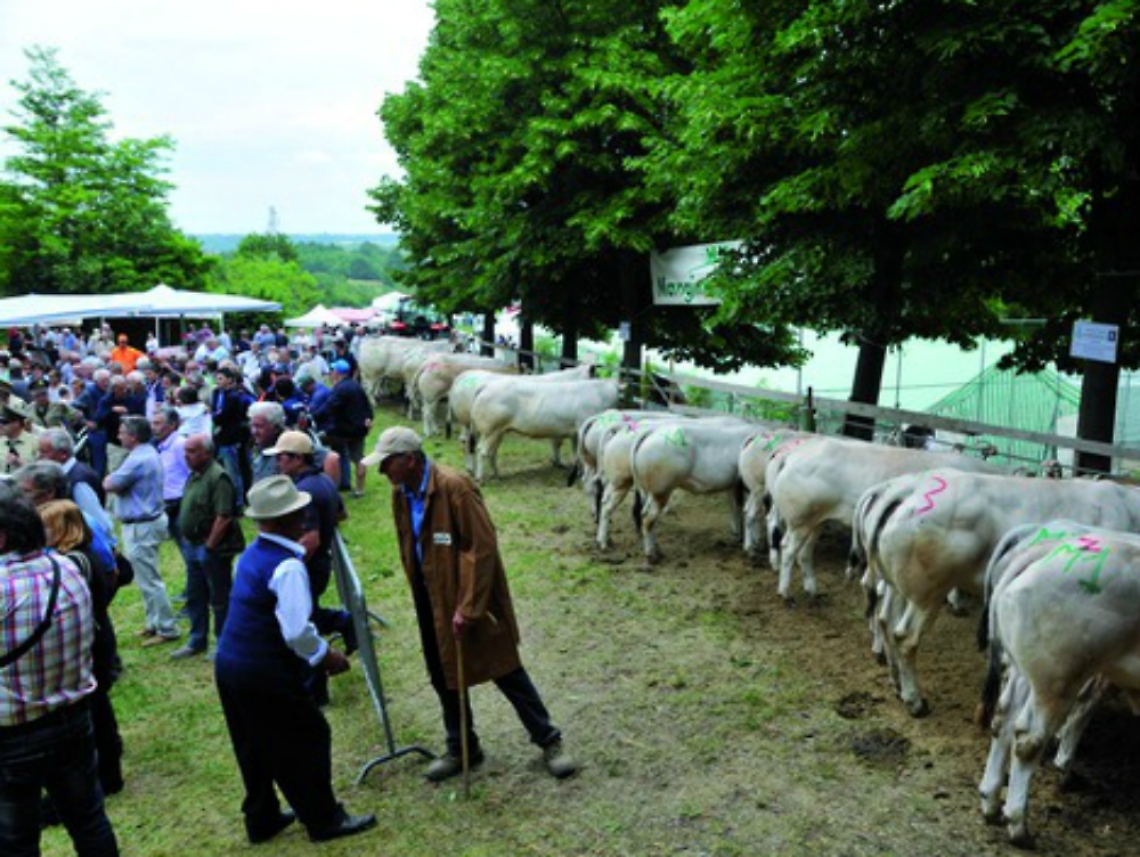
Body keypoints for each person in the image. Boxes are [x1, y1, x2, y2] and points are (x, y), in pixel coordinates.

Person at [370, 426, 578, 781]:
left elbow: (481, 549)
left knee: (503, 666)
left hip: (470, 594)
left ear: (409, 459)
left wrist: (468, 606)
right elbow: (411, 543)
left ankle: (549, 741)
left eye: (387, 463)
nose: (381, 471)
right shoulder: (401, 492)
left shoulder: (455, 488)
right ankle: (462, 747)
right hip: (430, 594)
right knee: (442, 672)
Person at [213, 475, 376, 844]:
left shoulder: (255, 552)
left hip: (230, 663)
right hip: (262, 669)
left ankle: (262, 816)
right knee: (309, 736)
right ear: (292, 517)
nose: (305, 513)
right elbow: (296, 631)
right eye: (299, 510)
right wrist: (326, 656)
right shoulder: (288, 566)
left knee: (252, 742)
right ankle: (323, 819)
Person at [0, 485, 120, 856]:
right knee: (89, 821)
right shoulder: (68, 569)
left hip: (13, 736)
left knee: (15, 840)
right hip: (73, 719)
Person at [39, 499, 125, 798]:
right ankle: (109, 772)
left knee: (94, 712)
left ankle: (106, 776)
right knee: (99, 708)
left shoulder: (73, 562)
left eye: (46, 527)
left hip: (90, 643)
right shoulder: (87, 555)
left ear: (62, 528)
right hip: (97, 638)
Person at [263, 431, 353, 705]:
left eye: (282, 457)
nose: (278, 462)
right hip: (320, 563)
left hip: (311, 567)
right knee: (309, 616)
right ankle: (343, 622)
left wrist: (291, 568)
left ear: (298, 458)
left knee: (304, 625)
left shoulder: (303, 490)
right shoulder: (323, 479)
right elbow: (341, 513)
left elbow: (310, 539)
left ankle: (316, 691)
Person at [104, 415, 181, 645]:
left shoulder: (138, 459)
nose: (118, 435)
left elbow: (109, 484)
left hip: (142, 525)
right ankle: (153, 623)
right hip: (145, 523)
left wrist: (110, 479)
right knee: (145, 576)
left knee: (149, 579)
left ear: (133, 436)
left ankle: (167, 628)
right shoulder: (146, 453)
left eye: (122, 432)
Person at [173, 434, 241, 660]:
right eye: (186, 451)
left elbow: (224, 516)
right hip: (192, 545)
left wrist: (210, 545)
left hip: (210, 547)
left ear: (207, 453)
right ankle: (197, 639)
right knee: (195, 595)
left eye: (192, 451)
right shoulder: (195, 475)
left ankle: (224, 641)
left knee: (219, 598)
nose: (186, 456)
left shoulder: (218, 477)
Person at [311, 359, 372, 497]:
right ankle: (359, 489)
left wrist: (314, 416)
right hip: (360, 429)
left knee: (328, 451)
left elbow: (329, 407)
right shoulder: (356, 385)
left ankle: (335, 484)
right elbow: (367, 406)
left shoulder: (339, 389)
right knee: (359, 459)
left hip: (344, 430)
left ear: (337, 373)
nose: (330, 374)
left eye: (332, 371)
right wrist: (368, 419)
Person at [1, 397, 39, 476]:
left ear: (17, 424)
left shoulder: (35, 443)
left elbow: (41, 473)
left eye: (5, 422)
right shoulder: (1, 441)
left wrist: (19, 462)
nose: (1, 425)